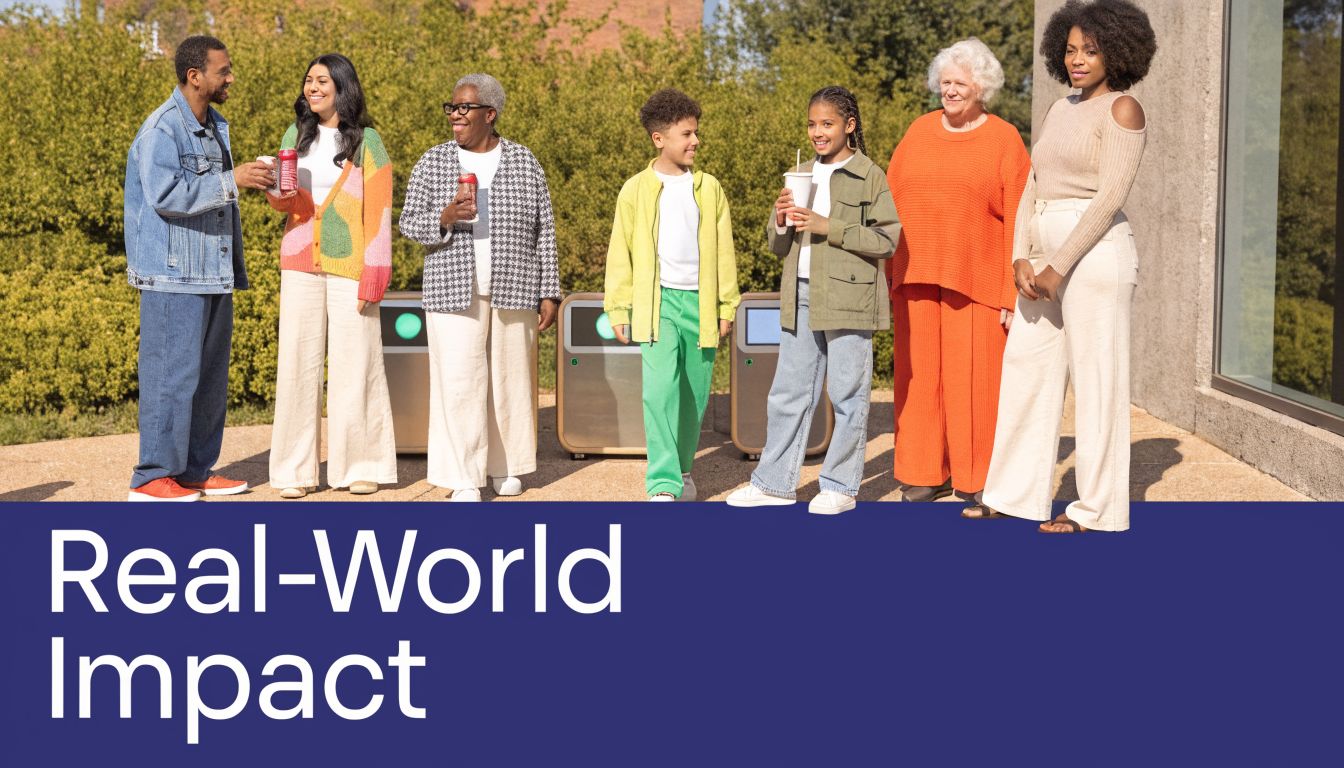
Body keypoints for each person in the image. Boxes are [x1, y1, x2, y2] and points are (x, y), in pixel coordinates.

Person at [981, 0, 1156, 532]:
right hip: (1043, 255)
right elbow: (1033, 185)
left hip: (1096, 256)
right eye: (1071, 49)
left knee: (1097, 382)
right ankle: (1011, 494)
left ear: (1118, 52)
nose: (1078, 59)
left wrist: (1058, 265)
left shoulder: (1123, 110)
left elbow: (1109, 198)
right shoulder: (1060, 108)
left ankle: (1095, 511)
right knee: (1025, 372)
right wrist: (1020, 254)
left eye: (1091, 50)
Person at [727, 86, 900, 515]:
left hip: (849, 297)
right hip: (800, 293)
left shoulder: (869, 174)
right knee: (787, 393)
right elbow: (777, 245)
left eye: (827, 124)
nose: (817, 132)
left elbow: (888, 239)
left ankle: (840, 487)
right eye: (812, 124)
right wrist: (781, 218)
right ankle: (773, 483)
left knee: (847, 393)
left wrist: (829, 225)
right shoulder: (798, 172)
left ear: (849, 126)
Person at [123, 35, 274, 501]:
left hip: (214, 272)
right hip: (172, 275)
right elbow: (166, 196)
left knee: (208, 380)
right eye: (223, 71)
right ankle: (152, 478)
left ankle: (193, 471)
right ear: (195, 76)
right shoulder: (162, 130)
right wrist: (235, 180)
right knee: (171, 377)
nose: (230, 78)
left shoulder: (214, 126)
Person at [399, 73, 560, 502]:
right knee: (459, 383)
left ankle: (505, 468)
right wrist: (445, 218)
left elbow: (546, 231)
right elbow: (408, 223)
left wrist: (551, 291)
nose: (455, 115)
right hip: (452, 289)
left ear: (490, 114)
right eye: (451, 107)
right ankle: (463, 476)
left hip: (515, 286)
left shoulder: (525, 161)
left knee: (510, 382)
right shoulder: (433, 161)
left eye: (464, 108)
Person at [885, 39, 1030, 513]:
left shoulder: (1005, 138)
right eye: (945, 82)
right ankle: (922, 472)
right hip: (916, 272)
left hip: (980, 278)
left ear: (981, 87)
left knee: (976, 384)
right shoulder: (919, 130)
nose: (950, 91)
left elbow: (1019, 215)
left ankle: (977, 478)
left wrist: (1013, 290)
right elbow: (889, 200)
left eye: (960, 83)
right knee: (918, 378)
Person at [264, 53, 397, 499]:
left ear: (342, 86)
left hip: (350, 267)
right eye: (308, 80)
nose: (312, 87)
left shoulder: (368, 142)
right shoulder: (294, 137)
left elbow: (378, 211)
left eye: (322, 80)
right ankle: (293, 472)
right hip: (299, 262)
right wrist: (278, 194)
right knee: (297, 368)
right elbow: (285, 205)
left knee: (355, 366)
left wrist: (376, 271)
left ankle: (359, 466)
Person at [604, 88, 740, 502]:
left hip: (701, 304)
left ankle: (682, 468)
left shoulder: (710, 188)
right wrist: (619, 307)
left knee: (693, 396)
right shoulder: (634, 189)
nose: (695, 141)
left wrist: (726, 304)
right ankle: (663, 483)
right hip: (656, 304)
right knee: (659, 391)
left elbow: (725, 249)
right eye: (687, 133)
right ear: (659, 138)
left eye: (696, 132)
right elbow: (620, 251)